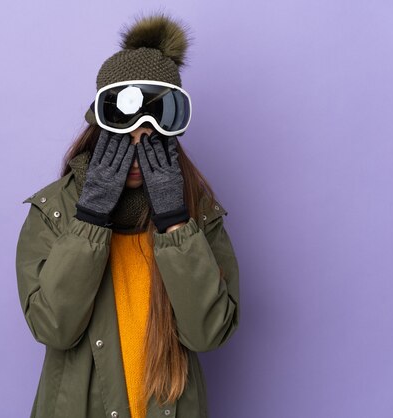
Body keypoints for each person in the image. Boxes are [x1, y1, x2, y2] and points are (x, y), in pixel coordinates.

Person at [16, 14, 240, 418]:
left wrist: (174, 223)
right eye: (124, 136)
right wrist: (91, 217)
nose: (137, 152)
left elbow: (209, 333)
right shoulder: (55, 211)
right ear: (99, 129)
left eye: (150, 138)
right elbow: (53, 328)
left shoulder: (198, 214)